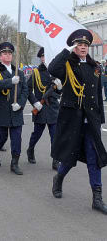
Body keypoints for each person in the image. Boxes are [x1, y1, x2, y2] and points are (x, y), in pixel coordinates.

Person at [48, 29, 107, 214]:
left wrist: (100, 120)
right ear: (74, 47)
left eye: (85, 45)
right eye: (79, 45)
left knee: (94, 158)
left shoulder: (94, 66)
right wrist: (67, 51)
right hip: (72, 120)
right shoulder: (67, 65)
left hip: (91, 121)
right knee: (70, 156)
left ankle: (97, 198)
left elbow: (97, 94)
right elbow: (52, 69)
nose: (82, 47)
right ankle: (59, 178)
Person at [0, 42, 28, 175]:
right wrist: (10, 82)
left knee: (17, 139)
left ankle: (14, 163)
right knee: (1, 137)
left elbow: (25, 90)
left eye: (10, 53)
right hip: (1, 110)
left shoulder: (19, 72)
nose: (8, 55)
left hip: (16, 111)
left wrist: (21, 104)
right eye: (5, 53)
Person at [26, 47, 62, 170]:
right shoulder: (36, 72)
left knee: (55, 135)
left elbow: (59, 93)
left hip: (53, 108)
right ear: (40, 58)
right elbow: (27, 89)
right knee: (37, 134)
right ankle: (30, 149)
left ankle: (56, 159)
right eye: (43, 56)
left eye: (47, 55)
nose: (45, 58)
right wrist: (35, 102)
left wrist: (60, 88)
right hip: (40, 108)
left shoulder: (56, 72)